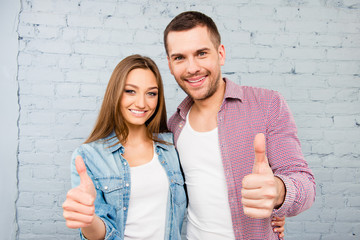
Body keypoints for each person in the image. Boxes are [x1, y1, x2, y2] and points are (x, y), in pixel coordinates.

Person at [164, 11, 315, 239]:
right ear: (170, 64)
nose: (192, 68)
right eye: (179, 58)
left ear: (220, 54)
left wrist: (278, 192)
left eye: (201, 53)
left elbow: (305, 183)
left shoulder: (267, 104)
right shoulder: (174, 125)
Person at [62, 55, 187, 239]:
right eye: (130, 91)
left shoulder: (171, 147)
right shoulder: (88, 156)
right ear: (116, 93)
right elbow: (99, 233)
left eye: (151, 93)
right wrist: (88, 219)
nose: (142, 103)